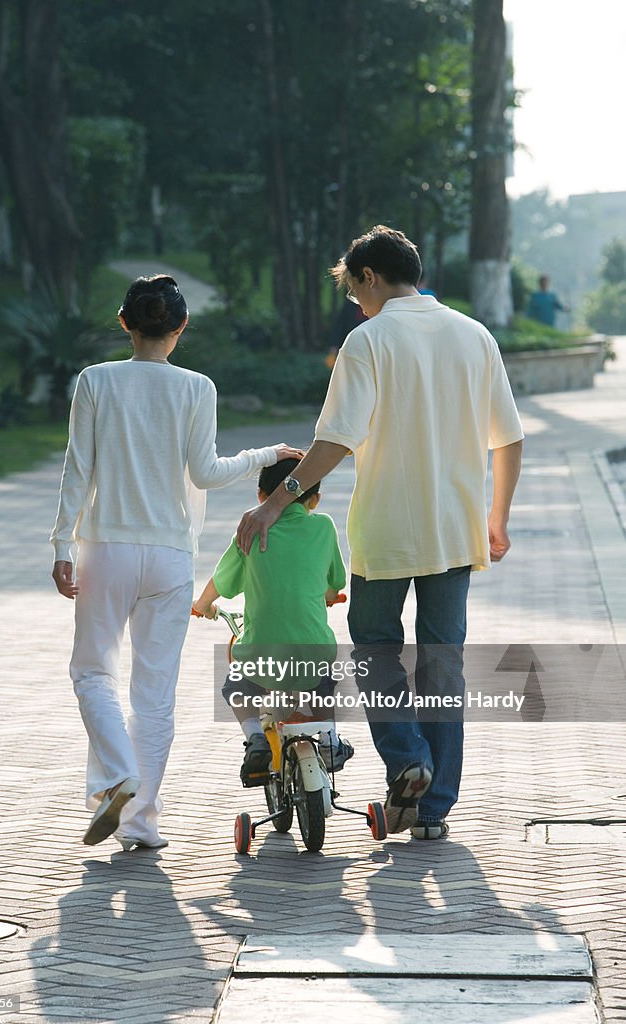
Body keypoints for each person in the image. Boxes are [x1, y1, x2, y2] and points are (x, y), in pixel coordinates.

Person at [235, 225, 524, 840]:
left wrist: (276, 501)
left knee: (373, 647)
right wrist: (497, 517)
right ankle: (434, 807)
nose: (354, 303)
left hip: (388, 528)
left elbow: (335, 439)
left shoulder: (368, 340)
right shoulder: (475, 335)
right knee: (443, 660)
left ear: (369, 277)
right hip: (456, 526)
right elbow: (510, 437)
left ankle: (407, 758)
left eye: (353, 290)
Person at [50, 274, 303, 850]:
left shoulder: (95, 380)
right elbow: (207, 472)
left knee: (92, 673)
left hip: (106, 550)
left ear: (124, 323)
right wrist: (268, 454)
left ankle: (117, 776)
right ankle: (140, 824)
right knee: (154, 695)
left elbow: (77, 471)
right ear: (180, 328)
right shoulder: (197, 387)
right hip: (170, 557)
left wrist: (61, 545)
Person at [192, 458, 353, 785]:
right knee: (325, 680)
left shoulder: (250, 531)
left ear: (260, 496)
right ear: (315, 500)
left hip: (262, 656)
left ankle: (255, 738)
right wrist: (328, 594)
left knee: (236, 685)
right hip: (312, 654)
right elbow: (335, 581)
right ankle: (331, 741)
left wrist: (202, 605)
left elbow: (220, 583)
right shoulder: (323, 527)